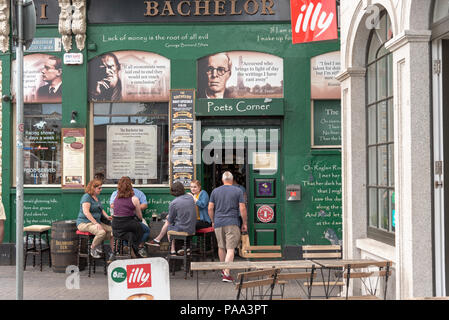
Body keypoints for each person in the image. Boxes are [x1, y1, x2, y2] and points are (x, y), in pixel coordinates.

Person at [208, 171, 247, 282]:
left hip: (218, 222)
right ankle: (226, 273)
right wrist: (244, 223)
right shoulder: (238, 190)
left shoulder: (215, 191)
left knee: (221, 247)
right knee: (230, 249)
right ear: (232, 179)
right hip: (232, 222)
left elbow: (210, 208)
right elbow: (242, 208)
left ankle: (223, 270)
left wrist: (213, 220)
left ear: (222, 180)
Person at [109, 177, 150, 256]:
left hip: (116, 225)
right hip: (129, 223)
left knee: (130, 232)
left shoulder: (116, 198)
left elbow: (114, 209)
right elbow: (140, 217)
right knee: (146, 230)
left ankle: (127, 246)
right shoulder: (134, 199)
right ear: (130, 186)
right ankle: (134, 247)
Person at [76, 179, 113, 259]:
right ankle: (93, 248)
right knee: (101, 232)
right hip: (85, 223)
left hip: (97, 222)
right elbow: (86, 212)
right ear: (93, 188)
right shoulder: (86, 197)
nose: (101, 190)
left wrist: (107, 216)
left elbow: (101, 209)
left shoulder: (96, 197)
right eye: (99, 188)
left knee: (113, 231)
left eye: (101, 188)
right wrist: (96, 223)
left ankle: (107, 249)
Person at [166, 182, 197, 255]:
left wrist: (168, 216)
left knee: (169, 227)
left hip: (182, 229)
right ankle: (185, 248)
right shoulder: (190, 197)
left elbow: (170, 219)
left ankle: (172, 250)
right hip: (192, 228)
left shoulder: (174, 203)